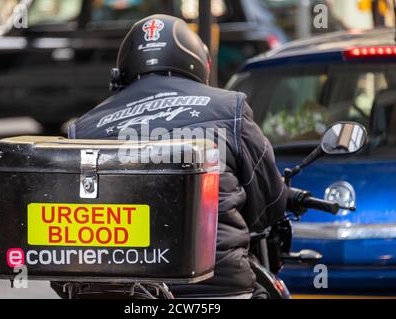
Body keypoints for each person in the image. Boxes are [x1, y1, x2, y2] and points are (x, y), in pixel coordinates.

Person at [68, 14, 288, 298]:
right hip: (218, 288)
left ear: (120, 71)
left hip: (115, 290)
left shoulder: (85, 127)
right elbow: (269, 204)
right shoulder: (229, 108)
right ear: (198, 61)